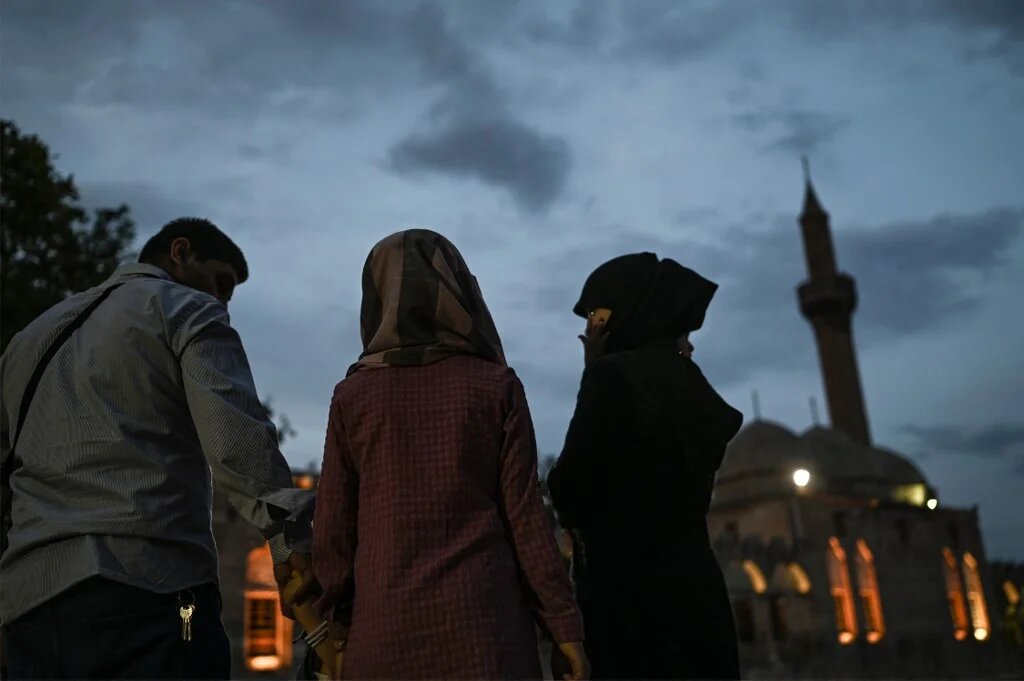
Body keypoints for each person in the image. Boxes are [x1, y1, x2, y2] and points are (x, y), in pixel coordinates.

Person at [0, 218, 316, 679]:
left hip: (33, 607)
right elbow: (237, 441)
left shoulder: (28, 340)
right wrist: (292, 543)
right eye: (221, 282)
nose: (222, 299)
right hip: (151, 590)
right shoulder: (184, 309)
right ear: (180, 252)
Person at [312, 229, 589, 680]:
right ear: (460, 289)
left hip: (383, 635)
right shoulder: (496, 386)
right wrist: (564, 629)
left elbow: (333, 532)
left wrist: (337, 635)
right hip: (486, 634)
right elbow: (527, 521)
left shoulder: (353, 397)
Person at [547, 252, 744, 680]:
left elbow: (571, 491)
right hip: (695, 599)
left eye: (596, 316)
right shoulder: (689, 382)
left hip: (630, 606)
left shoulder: (612, 378)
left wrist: (591, 371)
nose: (588, 330)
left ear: (623, 311)